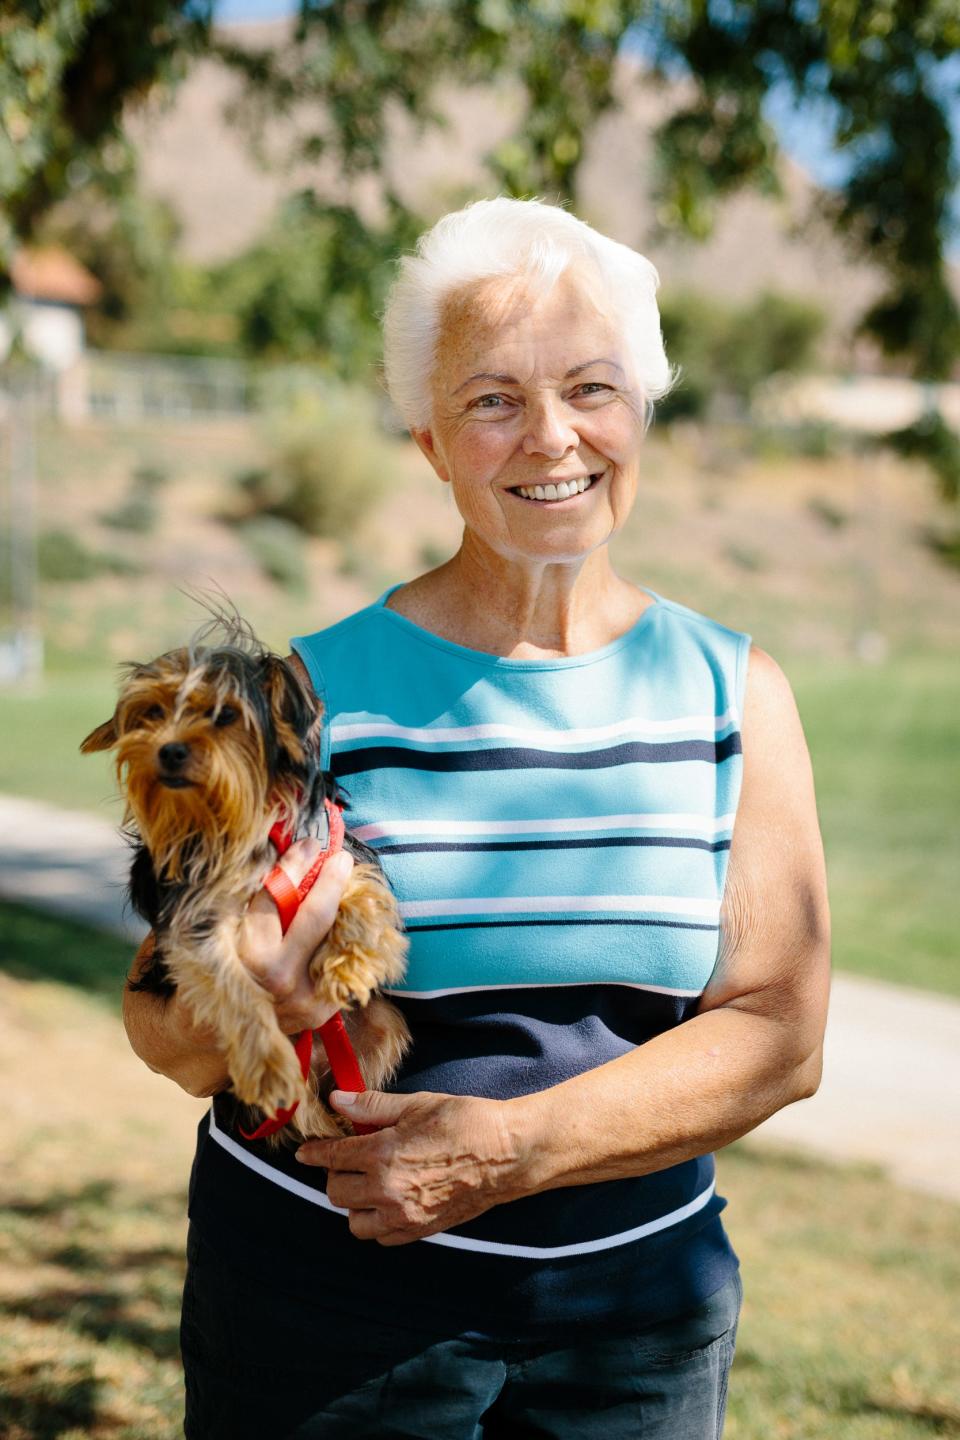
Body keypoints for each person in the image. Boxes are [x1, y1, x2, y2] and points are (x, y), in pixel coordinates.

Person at [124, 197, 830, 1439]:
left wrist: (510, 1150)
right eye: (493, 399)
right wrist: (260, 1006)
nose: (552, 436)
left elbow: (781, 1031)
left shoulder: (737, 695)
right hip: (316, 1312)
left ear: (643, 408)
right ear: (429, 441)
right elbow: (158, 1021)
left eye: (593, 387)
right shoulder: (304, 693)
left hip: (636, 1328)